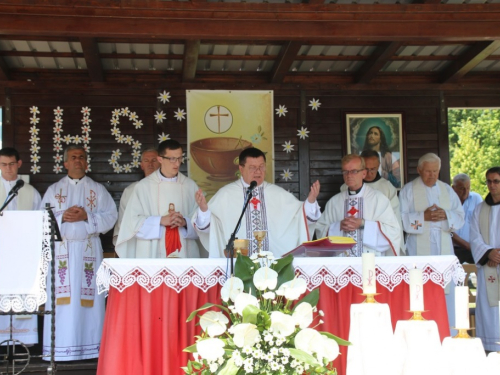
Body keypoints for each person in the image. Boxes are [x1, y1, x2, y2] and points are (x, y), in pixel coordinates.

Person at [41, 145, 117, 361]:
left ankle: (91, 349)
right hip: (61, 251)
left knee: (90, 300)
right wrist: (62, 216)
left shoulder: (97, 189)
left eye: (81, 157)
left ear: (86, 163)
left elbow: (111, 216)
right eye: (73, 157)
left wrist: (87, 216)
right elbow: (41, 218)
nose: (77, 160)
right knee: (61, 301)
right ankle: (59, 349)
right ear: (65, 163)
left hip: (88, 251)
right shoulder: (53, 190)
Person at [193, 147, 321, 258]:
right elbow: (207, 228)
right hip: (238, 265)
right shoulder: (225, 195)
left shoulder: (279, 194)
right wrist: (204, 210)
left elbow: (301, 217)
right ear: (241, 169)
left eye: (261, 167)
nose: (258, 171)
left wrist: (310, 201)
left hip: (273, 265)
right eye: (253, 168)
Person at [115, 140, 200, 258]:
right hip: (151, 254)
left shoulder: (190, 186)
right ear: (160, 159)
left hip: (185, 253)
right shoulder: (143, 187)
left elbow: (201, 223)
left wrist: (185, 222)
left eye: (179, 158)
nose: (177, 163)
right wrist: (160, 221)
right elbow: (132, 224)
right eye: (172, 159)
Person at [317, 154, 400, 256]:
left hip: (370, 262)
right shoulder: (334, 202)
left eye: (354, 171)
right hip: (341, 264)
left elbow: (393, 233)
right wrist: (338, 226)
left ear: (364, 173)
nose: (349, 175)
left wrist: (363, 224)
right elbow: (320, 230)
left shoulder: (378, 199)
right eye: (345, 171)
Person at [0, 147, 41, 347]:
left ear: (19, 164)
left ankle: (22, 341)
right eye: (3, 164)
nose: (8, 168)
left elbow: (40, 222)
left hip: (23, 256)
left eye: (11, 164)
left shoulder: (30, 192)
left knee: (21, 293)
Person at [340, 150, 405, 255]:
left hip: (375, 250)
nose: (369, 173)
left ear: (379, 166)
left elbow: (393, 221)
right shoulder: (345, 188)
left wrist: (363, 224)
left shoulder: (387, 188)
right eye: (366, 169)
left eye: (373, 169)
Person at [399, 153, 464, 256]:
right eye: (428, 171)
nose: (432, 175)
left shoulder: (447, 190)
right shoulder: (408, 190)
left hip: (444, 243)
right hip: (417, 245)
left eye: (435, 171)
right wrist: (422, 217)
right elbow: (400, 219)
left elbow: (460, 216)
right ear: (419, 170)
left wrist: (446, 215)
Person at [470, 166, 500, 352]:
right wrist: (488, 253)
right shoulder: (479, 209)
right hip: (488, 267)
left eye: (496, 181)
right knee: (490, 309)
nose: (491, 185)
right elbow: (474, 237)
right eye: (489, 181)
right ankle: (490, 348)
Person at [112, 148, 160, 245]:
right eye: (146, 161)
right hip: (138, 243)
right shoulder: (130, 190)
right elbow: (123, 223)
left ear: (161, 163)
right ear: (142, 165)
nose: (150, 164)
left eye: (154, 160)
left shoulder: (168, 188)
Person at [451, 173, 483, 264]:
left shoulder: (476, 198)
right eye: (462, 188)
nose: (466, 191)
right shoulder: (448, 202)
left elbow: (481, 223)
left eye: (468, 188)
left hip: (473, 248)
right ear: (453, 188)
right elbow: (448, 230)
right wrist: (466, 245)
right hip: (453, 249)